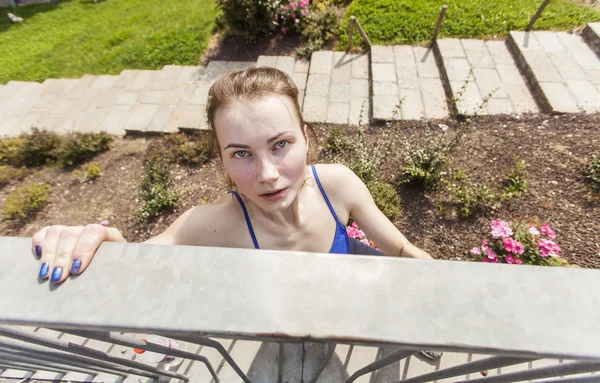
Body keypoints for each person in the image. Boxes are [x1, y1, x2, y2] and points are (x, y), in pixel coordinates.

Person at [32, 66, 433, 282]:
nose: (268, 175)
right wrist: (97, 240)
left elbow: (400, 250)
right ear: (222, 160)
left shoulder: (338, 184)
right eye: (241, 153)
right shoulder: (213, 225)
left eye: (281, 144)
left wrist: (435, 283)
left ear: (307, 138)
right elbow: (131, 259)